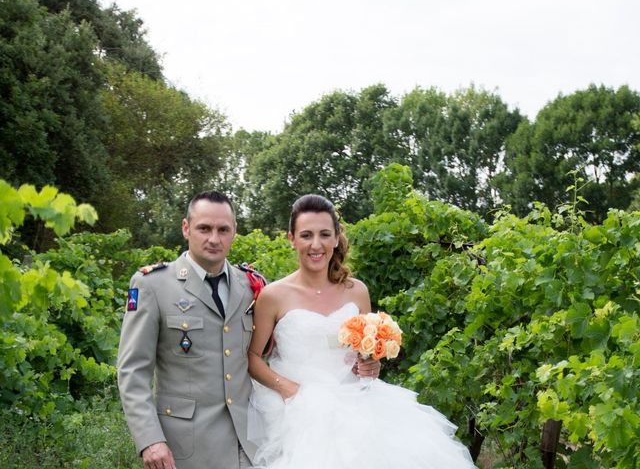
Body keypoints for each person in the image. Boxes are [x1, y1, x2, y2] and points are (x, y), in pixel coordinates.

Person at [247, 194, 476, 468]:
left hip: (356, 401)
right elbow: (252, 357)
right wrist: (289, 390)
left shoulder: (357, 291)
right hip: (296, 408)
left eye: (324, 234)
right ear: (292, 239)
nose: (316, 244)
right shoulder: (274, 295)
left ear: (335, 238)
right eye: (306, 235)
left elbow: (365, 353)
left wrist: (370, 365)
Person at [118, 191, 261, 469]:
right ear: (186, 228)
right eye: (204, 228)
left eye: (223, 230)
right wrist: (150, 439)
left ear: (234, 232)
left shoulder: (249, 285)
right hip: (185, 448)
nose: (214, 239)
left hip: (249, 445)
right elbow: (133, 371)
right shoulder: (153, 285)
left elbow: (269, 353)